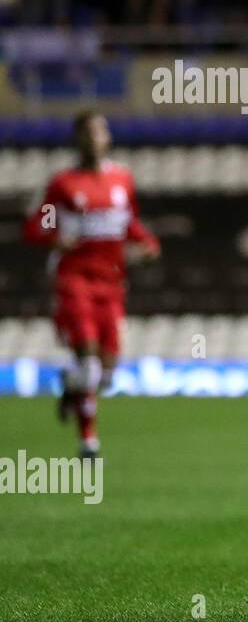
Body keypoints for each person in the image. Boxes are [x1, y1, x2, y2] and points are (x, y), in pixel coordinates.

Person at [23, 111, 160, 457]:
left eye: (102, 131)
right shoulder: (64, 184)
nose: (97, 137)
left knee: (107, 374)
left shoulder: (122, 180)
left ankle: (70, 387)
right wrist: (54, 237)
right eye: (90, 132)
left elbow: (128, 223)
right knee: (88, 360)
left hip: (112, 283)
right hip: (75, 279)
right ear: (79, 139)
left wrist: (148, 243)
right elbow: (35, 227)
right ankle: (88, 440)